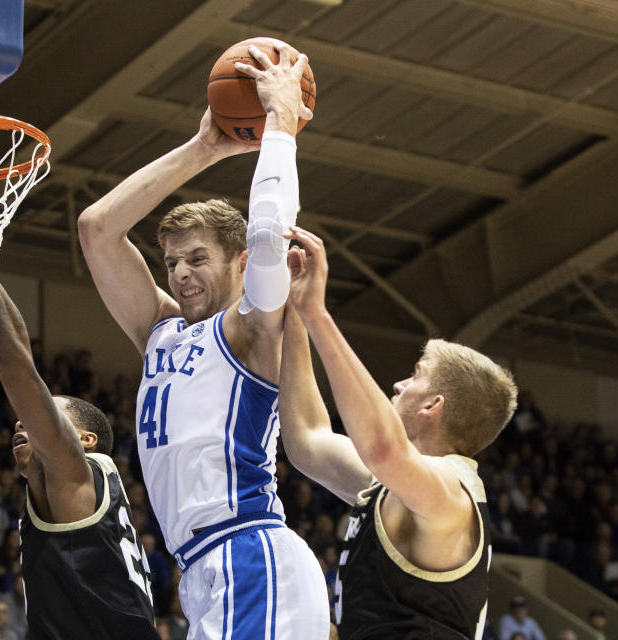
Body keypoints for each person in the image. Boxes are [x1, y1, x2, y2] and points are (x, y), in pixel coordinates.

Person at [76, 41, 328, 638]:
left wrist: (281, 126)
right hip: (200, 571)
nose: (181, 272)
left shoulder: (250, 328)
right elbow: (97, 229)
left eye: (197, 258)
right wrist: (205, 147)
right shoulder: (159, 331)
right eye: (171, 263)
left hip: (251, 552)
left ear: (238, 265)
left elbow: (269, 236)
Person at [0, 139, 157, 639]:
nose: (23, 420)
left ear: (83, 441)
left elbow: (9, 349)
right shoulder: (81, 502)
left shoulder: (76, 475)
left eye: (49, 415)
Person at [278, 225, 518, 639]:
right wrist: (296, 312)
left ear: (432, 406)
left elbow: (383, 449)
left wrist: (318, 315)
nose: (399, 385)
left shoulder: (450, 496)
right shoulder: (394, 487)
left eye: (415, 376)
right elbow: (307, 438)